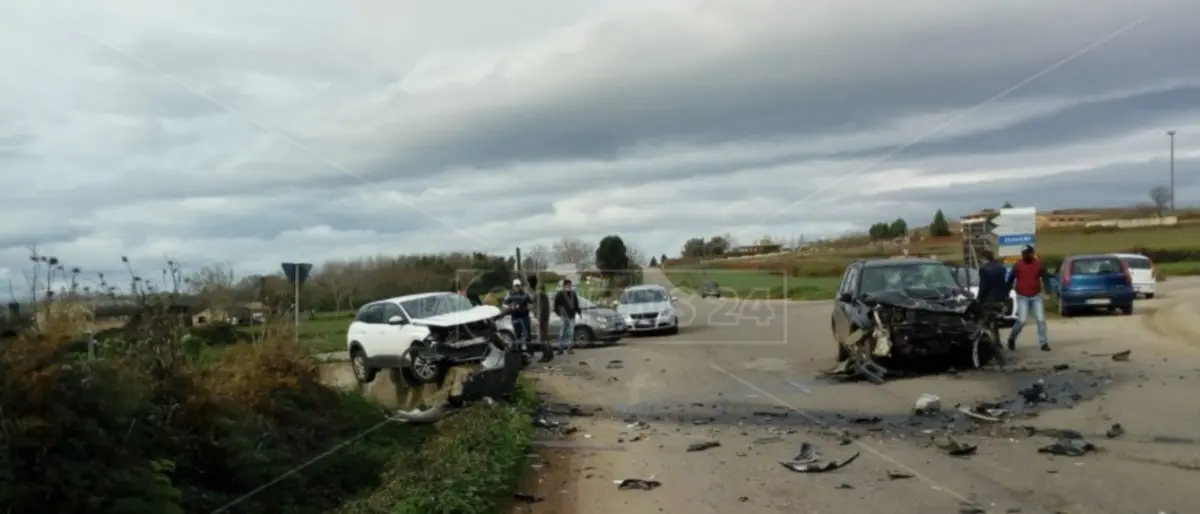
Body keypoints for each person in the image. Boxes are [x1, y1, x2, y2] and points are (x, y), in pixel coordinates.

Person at [1005, 244, 1052, 352]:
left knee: (1041, 319)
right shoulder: (1018, 265)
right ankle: (1012, 338)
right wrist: (1007, 292)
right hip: (1022, 296)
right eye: (1023, 254)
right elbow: (1010, 279)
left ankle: (1044, 343)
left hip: (1036, 295)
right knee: (1021, 320)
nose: (1025, 256)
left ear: (1032, 253)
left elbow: (1046, 279)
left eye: (1027, 253)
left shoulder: (1040, 264)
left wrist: (1048, 292)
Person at [975, 250, 1009, 362]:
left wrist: (978, 298)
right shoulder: (1001, 268)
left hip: (989, 300)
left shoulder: (984, 270)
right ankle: (998, 342)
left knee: (984, 323)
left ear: (984, 258)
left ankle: (992, 347)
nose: (980, 262)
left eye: (981, 260)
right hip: (1000, 299)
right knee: (994, 322)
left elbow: (983, 287)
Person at [553, 279, 581, 355]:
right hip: (564, 316)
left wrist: (579, 312)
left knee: (571, 332)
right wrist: (558, 313)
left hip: (572, 315)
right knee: (562, 332)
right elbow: (555, 305)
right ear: (564, 286)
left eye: (570, 285)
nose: (569, 286)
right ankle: (560, 348)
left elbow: (576, 304)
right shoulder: (560, 294)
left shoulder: (573, 294)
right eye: (568, 285)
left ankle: (569, 348)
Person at [503, 279, 533, 352]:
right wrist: (510, 307)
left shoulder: (525, 294)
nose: (517, 287)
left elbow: (531, 304)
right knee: (518, 334)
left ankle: (529, 351)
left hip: (525, 316)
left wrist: (527, 308)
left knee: (527, 334)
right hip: (515, 317)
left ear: (520, 286)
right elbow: (504, 305)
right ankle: (519, 351)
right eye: (516, 286)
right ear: (513, 286)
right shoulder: (509, 295)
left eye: (518, 286)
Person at [530, 275, 554, 363]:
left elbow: (539, 308)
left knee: (542, 338)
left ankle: (546, 355)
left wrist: (537, 319)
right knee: (545, 337)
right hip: (544, 317)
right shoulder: (540, 292)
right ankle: (550, 354)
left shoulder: (538, 293)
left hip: (542, 319)